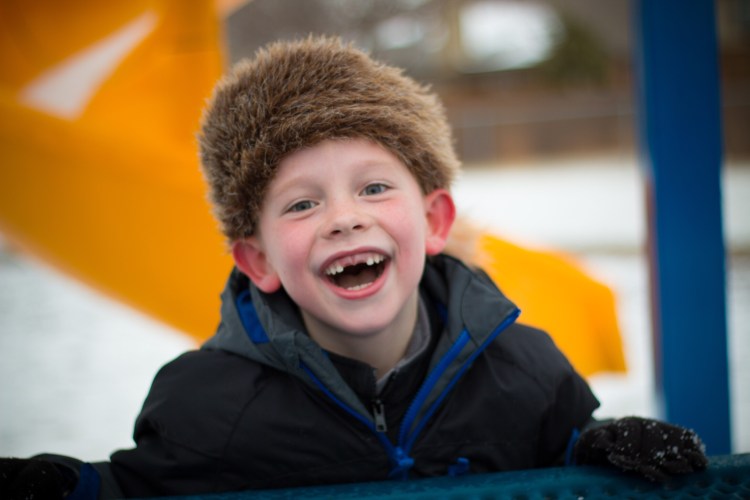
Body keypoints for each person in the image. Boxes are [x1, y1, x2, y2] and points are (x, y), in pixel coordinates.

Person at [0, 36, 707, 499]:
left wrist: (600, 448)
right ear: (258, 260)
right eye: (302, 203)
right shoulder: (206, 404)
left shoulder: (523, 369)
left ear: (434, 222)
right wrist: (65, 485)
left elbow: (563, 455)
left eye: (373, 187)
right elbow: (135, 488)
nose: (344, 217)